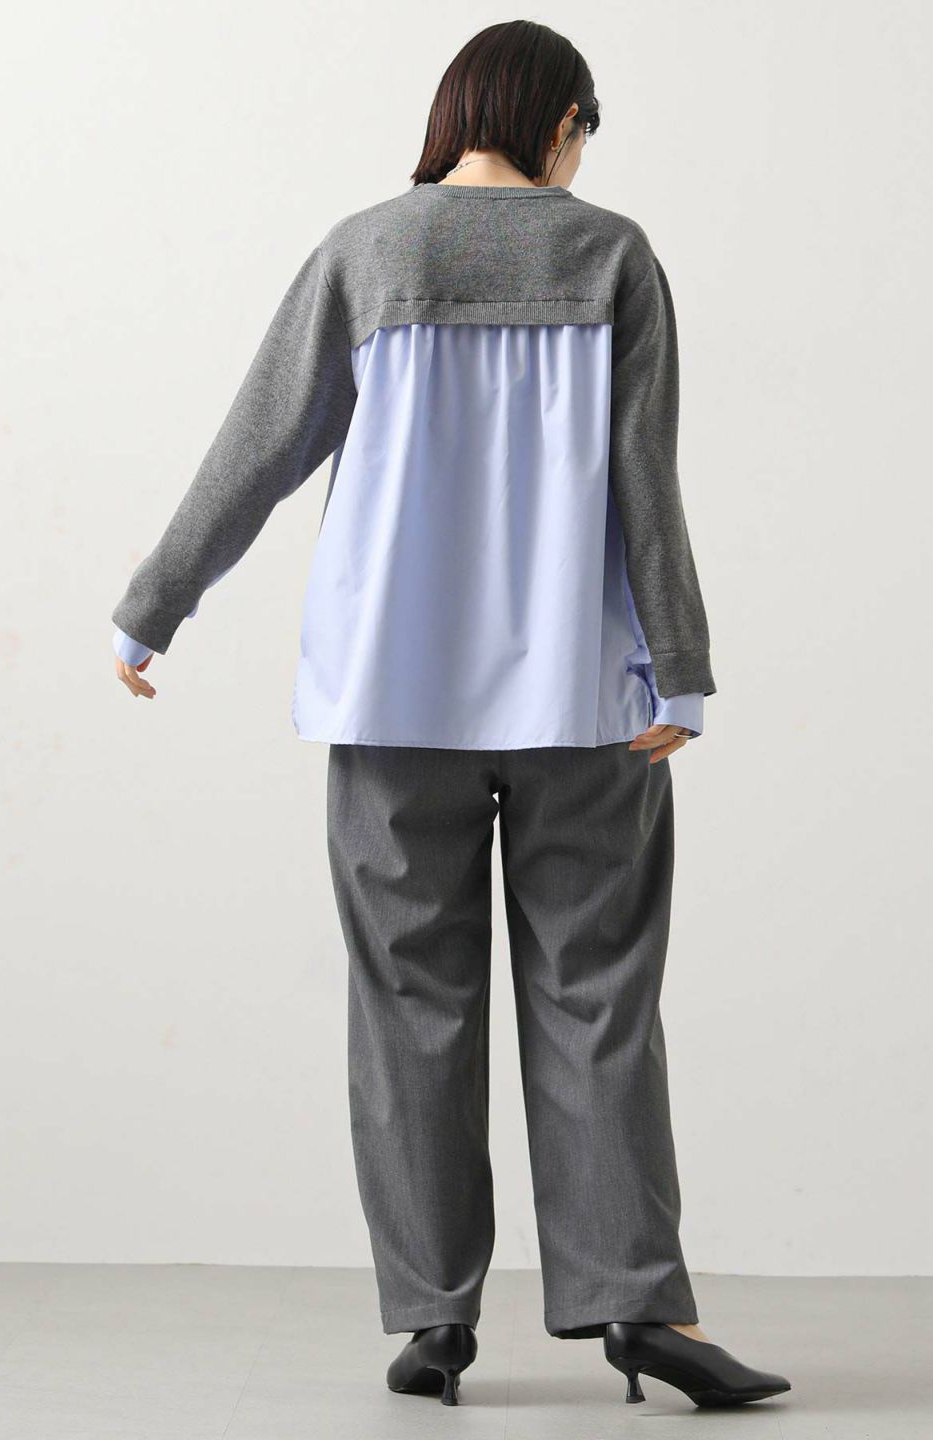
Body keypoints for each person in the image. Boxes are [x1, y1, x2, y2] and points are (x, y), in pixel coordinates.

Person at [110, 18, 791, 1413]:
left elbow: (260, 446)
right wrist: (681, 666)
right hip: (585, 702)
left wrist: (153, 605)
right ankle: (637, 1309)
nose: (583, 154)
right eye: (586, 128)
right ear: (560, 121)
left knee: (410, 1002)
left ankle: (433, 1322)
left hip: (391, 692)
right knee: (599, 997)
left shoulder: (367, 250)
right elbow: (646, 481)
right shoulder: (612, 254)